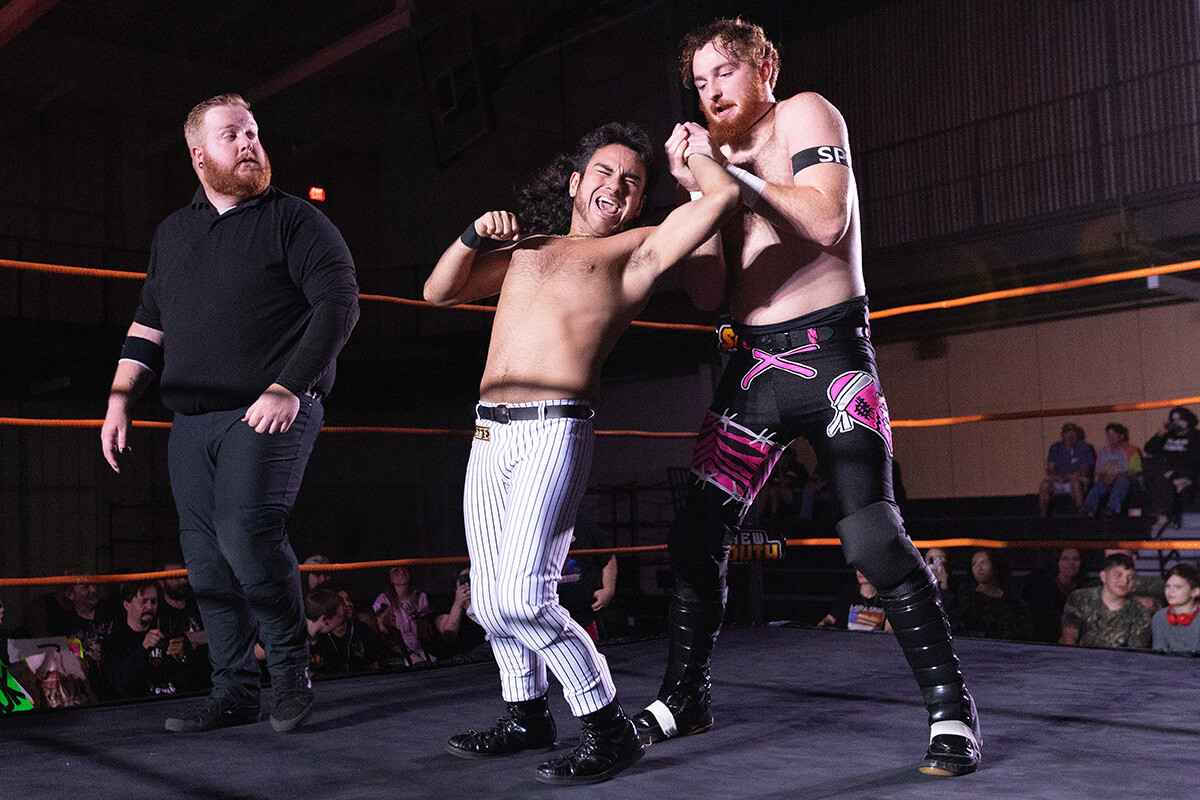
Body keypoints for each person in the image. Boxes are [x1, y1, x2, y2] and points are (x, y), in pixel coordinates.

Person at [632, 18, 981, 777]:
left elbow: (827, 219)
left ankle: (951, 710)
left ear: (765, 67)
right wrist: (697, 193)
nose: (711, 90)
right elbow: (708, 294)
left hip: (831, 359)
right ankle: (685, 697)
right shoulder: (715, 162)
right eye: (700, 81)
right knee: (695, 534)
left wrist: (732, 180)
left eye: (725, 71)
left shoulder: (805, 113)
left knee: (872, 539)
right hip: (753, 369)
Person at [424, 120, 738, 785]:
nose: (616, 186)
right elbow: (439, 291)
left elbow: (720, 201)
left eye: (632, 182)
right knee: (488, 600)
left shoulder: (635, 251)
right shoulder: (528, 248)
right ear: (574, 182)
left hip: (553, 428)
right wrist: (472, 233)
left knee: (523, 596)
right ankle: (526, 715)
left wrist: (696, 156)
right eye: (604, 171)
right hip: (488, 432)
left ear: (639, 201)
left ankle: (608, 726)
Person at [99, 94, 360, 733]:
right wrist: (118, 399)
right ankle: (234, 689)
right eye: (232, 135)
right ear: (198, 155)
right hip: (191, 421)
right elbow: (149, 323)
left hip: (268, 408)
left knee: (246, 534)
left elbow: (339, 303)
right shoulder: (173, 233)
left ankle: (291, 674)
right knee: (204, 558)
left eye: (253, 133)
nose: (249, 144)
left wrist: (289, 384)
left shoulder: (295, 220)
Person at [101, 581, 183, 699]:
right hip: (139, 705)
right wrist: (143, 648)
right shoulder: (114, 642)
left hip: (174, 701)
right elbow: (119, 686)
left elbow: (189, 680)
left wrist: (182, 658)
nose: (149, 607)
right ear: (126, 605)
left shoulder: (167, 632)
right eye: (143, 601)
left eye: (153, 601)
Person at [1059, 553, 1151, 649]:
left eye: (1130, 577)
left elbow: (1135, 652)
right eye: (1118, 575)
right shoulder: (1080, 598)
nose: (1124, 581)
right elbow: (1069, 640)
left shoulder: (1140, 612)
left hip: (1118, 658)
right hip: (1078, 656)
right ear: (1103, 576)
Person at [557, 513, 618, 643]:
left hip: (584, 614)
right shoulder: (531, 526)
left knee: (592, 651)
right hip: (545, 616)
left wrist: (608, 589)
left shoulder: (584, 524)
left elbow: (607, 556)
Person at [1144, 406, 1200, 537]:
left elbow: (1195, 462)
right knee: (1155, 466)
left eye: (1180, 419)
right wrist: (1160, 434)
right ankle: (1167, 517)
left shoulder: (1196, 437)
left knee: (1167, 482)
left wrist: (1180, 474)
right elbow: (1149, 449)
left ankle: (1165, 518)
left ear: (1188, 420)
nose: (1176, 423)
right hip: (1166, 473)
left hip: (1185, 473)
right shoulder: (1168, 435)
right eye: (1174, 420)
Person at [957, 549, 1032, 641]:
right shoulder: (968, 600)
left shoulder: (1014, 600)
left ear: (995, 565)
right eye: (974, 564)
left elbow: (1024, 630)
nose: (979, 568)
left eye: (983, 563)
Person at [1021, 547, 1086, 643]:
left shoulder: (1085, 589)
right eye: (1065, 559)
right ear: (1058, 562)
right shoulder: (1043, 588)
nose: (1071, 563)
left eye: (1076, 559)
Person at [372, 565, 433, 664]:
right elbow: (383, 632)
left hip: (420, 649)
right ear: (390, 578)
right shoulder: (383, 600)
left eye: (404, 568)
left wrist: (417, 618)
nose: (401, 572)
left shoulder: (420, 597)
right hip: (397, 651)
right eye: (396, 571)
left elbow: (425, 632)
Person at [1083, 423, 1141, 516]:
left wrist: (1116, 476)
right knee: (1099, 483)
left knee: (1122, 481)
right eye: (1108, 435)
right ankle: (1088, 508)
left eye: (1113, 435)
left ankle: (1112, 508)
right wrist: (1105, 477)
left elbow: (1135, 471)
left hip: (1127, 480)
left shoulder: (1131, 450)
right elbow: (1098, 471)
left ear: (1121, 436)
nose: (1110, 438)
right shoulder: (1103, 451)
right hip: (1109, 479)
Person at [1038, 423, 1095, 517]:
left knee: (1075, 482)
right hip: (1059, 479)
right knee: (1045, 484)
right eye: (1067, 434)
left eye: (1073, 434)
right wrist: (1057, 477)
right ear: (1062, 435)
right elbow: (1050, 468)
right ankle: (1043, 515)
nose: (1070, 437)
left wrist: (1069, 476)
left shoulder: (1085, 447)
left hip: (1077, 478)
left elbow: (1084, 471)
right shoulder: (1055, 448)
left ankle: (1081, 512)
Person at [1151, 563, 1200, 653]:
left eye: (1178, 587)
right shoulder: (1159, 617)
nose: (1171, 591)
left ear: (1195, 592)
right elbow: (1159, 654)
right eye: (1168, 586)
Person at [817, 570, 888, 631]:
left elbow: (888, 629)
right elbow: (831, 618)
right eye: (857, 569)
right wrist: (823, 623)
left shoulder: (885, 598)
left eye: (863, 569)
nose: (859, 573)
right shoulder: (847, 593)